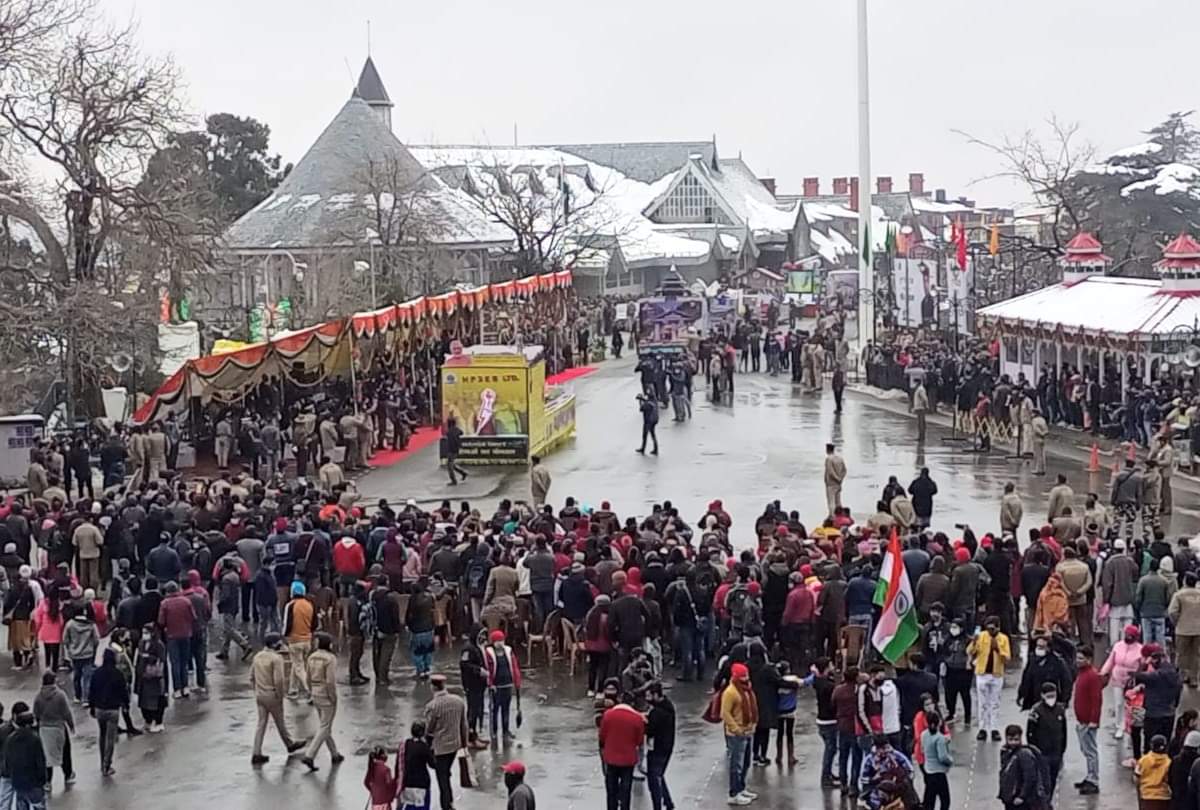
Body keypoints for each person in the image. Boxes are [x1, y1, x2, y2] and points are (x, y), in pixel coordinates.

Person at [250, 633, 305, 764]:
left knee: (261, 724)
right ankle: (289, 744)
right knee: (280, 722)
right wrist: (280, 695)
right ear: (276, 644)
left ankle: (256, 752)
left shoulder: (257, 656)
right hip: (272, 694)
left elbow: (251, 677)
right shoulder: (276, 658)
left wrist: (257, 691)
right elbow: (279, 680)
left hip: (260, 695)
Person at [424, 672, 468, 810]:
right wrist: (464, 743)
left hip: (440, 748)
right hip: (455, 745)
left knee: (442, 779)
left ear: (433, 687)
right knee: (445, 772)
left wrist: (427, 744)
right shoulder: (458, 701)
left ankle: (447, 805)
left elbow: (429, 730)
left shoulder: (432, 706)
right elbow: (464, 725)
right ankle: (448, 801)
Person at [301, 632, 343, 771]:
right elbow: (330, 681)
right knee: (325, 727)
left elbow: (307, 677)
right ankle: (310, 755)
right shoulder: (330, 658)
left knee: (325, 725)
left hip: (315, 692)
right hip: (326, 693)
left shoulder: (312, 657)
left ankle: (334, 753)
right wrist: (333, 696)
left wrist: (311, 691)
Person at [599, 692, 645, 810]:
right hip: (628, 760)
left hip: (611, 758)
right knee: (626, 790)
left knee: (611, 790)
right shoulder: (637, 718)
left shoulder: (608, 715)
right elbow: (639, 741)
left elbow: (602, 736)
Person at [720, 662, 758, 806]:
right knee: (736, 765)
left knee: (746, 762)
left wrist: (753, 724)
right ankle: (733, 793)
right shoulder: (730, 692)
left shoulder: (747, 689)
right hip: (736, 734)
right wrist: (736, 729)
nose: (746, 680)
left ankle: (741, 788)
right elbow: (725, 713)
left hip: (748, 731)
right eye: (743, 678)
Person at [87, 648, 129, 777]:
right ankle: (107, 764)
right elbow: (123, 691)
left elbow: (92, 690)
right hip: (113, 709)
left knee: (102, 735)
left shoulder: (97, 673)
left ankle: (101, 763)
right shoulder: (118, 674)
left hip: (100, 709)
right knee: (110, 739)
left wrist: (92, 706)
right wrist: (125, 704)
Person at [968, 615, 1010, 741]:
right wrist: (974, 641)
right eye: (988, 628)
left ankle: (994, 728)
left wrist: (997, 648)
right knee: (982, 703)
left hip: (996, 674)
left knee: (994, 703)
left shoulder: (1003, 639)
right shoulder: (981, 636)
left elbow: (1007, 657)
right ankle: (982, 728)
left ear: (998, 628)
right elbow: (970, 651)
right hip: (982, 673)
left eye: (993, 628)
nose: (990, 631)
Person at [33, 671, 73, 788]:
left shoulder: (38, 696)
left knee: (47, 755)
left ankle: (48, 781)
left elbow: (36, 714)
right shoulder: (60, 695)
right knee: (65, 752)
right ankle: (68, 774)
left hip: (44, 728)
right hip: (58, 727)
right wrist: (71, 725)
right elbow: (66, 712)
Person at [1073, 646, 1102, 794]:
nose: (1077, 661)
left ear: (1089, 659)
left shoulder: (1092, 676)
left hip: (1088, 721)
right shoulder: (1082, 674)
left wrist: (1094, 720)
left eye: (1081, 658)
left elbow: (1096, 699)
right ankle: (1090, 775)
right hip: (1082, 720)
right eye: (1077, 658)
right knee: (1086, 750)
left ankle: (1093, 779)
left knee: (1091, 751)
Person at [483, 629, 522, 742]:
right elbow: (488, 670)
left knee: (506, 710)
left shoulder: (509, 652)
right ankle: (494, 732)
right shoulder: (489, 654)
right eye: (497, 641)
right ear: (493, 642)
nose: (500, 643)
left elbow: (514, 667)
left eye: (501, 640)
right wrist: (490, 684)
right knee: (494, 710)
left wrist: (517, 682)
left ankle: (506, 731)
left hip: (507, 686)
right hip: (496, 688)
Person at [998, 724, 1049, 810]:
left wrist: (1022, 796)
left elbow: (1030, 777)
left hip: (1020, 800)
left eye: (1016, 739)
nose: (1013, 742)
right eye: (1010, 739)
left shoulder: (1024, 754)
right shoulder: (1006, 752)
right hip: (1010, 798)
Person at [4, 710, 46, 810]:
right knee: (38, 806)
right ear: (28, 724)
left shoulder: (10, 739)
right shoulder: (34, 739)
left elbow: (7, 761)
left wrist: (12, 776)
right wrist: (43, 779)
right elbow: (40, 761)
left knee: (22, 806)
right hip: (34, 781)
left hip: (18, 781)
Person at [644, 681, 675, 810]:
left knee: (653, 779)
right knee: (660, 776)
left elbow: (649, 730)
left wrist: (645, 722)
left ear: (655, 695)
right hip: (667, 746)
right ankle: (667, 802)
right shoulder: (668, 706)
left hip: (657, 748)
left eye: (649, 696)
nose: (647, 699)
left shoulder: (656, 713)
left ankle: (657, 805)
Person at [1169, 573, 1200, 687]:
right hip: (1198, 630)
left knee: (1182, 654)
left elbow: (1172, 612)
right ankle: (1194, 679)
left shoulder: (1179, 595)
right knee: (1196, 654)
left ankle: (1182, 676)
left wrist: (1177, 622)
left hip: (1183, 629)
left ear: (1185, 581)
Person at [395, 721, 434, 810]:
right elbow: (433, 764)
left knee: (409, 807)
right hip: (422, 784)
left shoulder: (404, 745)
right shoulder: (424, 747)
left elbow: (398, 764)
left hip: (407, 783)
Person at [921, 709, 953, 810]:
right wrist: (950, 761)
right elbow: (943, 757)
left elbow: (923, 749)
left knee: (930, 800)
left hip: (929, 771)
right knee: (945, 800)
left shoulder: (924, 734)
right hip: (939, 773)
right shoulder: (940, 738)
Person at [1138, 734, 1172, 810]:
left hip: (1147, 796)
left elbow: (1137, 777)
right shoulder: (1168, 762)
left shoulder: (1143, 760)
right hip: (1163, 797)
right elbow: (1169, 780)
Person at [364, 745, 398, 810]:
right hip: (384, 803)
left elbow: (366, 782)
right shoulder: (386, 770)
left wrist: (373, 791)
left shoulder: (371, 768)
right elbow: (389, 785)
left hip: (375, 803)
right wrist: (396, 781)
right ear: (383, 756)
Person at [823, 443, 846, 518]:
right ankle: (841, 515)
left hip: (831, 483)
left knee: (831, 502)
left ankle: (832, 516)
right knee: (838, 501)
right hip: (838, 483)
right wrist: (841, 479)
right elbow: (844, 470)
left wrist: (837, 478)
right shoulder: (840, 458)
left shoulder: (829, 459)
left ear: (827, 450)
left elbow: (830, 471)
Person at [444, 417, 468, 485]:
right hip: (456, 450)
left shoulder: (449, 431)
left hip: (451, 450)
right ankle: (463, 473)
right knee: (451, 464)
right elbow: (461, 433)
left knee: (449, 466)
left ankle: (454, 480)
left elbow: (450, 441)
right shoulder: (456, 430)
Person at [912, 377, 930, 442]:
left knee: (921, 423)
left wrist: (926, 406)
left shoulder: (920, 389)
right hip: (919, 407)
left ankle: (921, 437)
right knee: (920, 423)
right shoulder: (919, 389)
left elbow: (924, 398)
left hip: (920, 408)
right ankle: (921, 436)